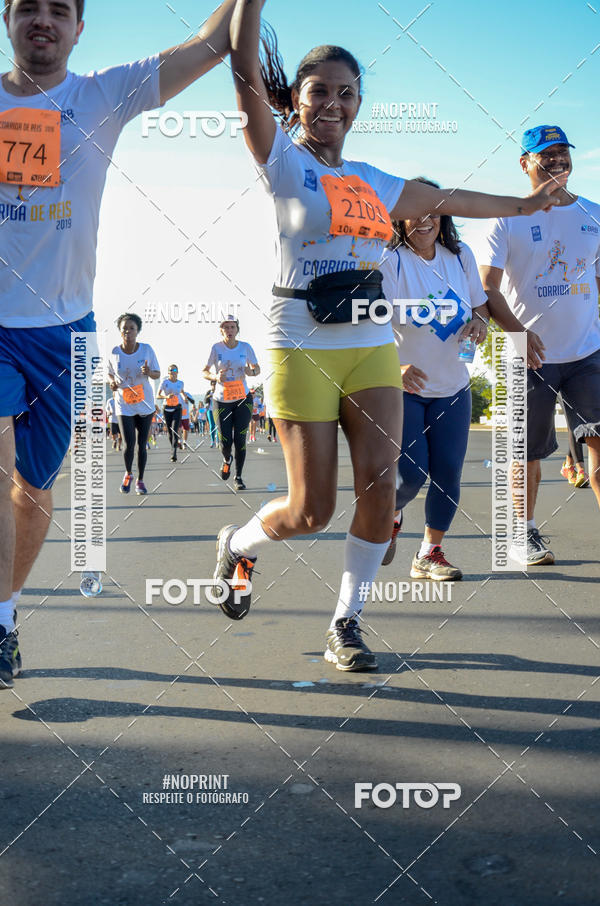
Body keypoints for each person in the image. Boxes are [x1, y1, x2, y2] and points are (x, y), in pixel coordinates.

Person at [211, 0, 565, 673]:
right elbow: (244, 71)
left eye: (347, 93)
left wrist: (525, 205)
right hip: (300, 342)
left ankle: (346, 623)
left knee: (381, 486)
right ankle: (240, 545)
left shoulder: (373, 180)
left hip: (370, 344)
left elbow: (453, 200)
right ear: (297, 100)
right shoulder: (282, 159)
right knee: (311, 510)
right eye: (320, 91)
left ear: (359, 104)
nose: (333, 104)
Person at [0, 0, 239, 689]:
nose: (42, 20)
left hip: (68, 332)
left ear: (79, 28)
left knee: (33, 490)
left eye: (58, 10)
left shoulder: (102, 94)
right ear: (6, 18)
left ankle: (5, 613)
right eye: (27, 7)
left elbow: (211, 43)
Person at [479, 126, 600, 565]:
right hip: (528, 357)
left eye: (563, 152)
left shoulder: (593, 214)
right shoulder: (505, 219)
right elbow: (487, 288)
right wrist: (517, 332)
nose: (557, 160)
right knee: (525, 452)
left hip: (588, 354)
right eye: (546, 154)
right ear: (525, 163)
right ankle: (523, 533)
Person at [380, 178, 489, 578]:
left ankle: (429, 553)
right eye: (414, 213)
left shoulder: (460, 257)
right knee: (412, 474)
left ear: (443, 217)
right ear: (399, 219)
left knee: (447, 474)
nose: (424, 220)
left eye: (432, 212)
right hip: (405, 389)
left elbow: (480, 306)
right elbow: (370, 326)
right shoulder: (390, 262)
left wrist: (479, 323)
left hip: (453, 387)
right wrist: (395, 368)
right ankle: (390, 513)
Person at [203, 315, 259, 490]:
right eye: (226, 327)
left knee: (240, 439)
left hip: (242, 398)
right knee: (225, 441)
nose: (229, 330)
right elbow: (205, 371)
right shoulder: (216, 348)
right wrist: (215, 376)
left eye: (232, 327)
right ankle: (227, 459)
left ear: (237, 330)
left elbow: (257, 368)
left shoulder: (245, 347)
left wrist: (251, 372)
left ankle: (238, 477)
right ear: (221, 330)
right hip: (221, 400)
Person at [108, 313, 160, 494]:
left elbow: (157, 373)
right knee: (128, 444)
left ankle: (140, 480)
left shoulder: (146, 350)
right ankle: (128, 473)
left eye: (132, 328)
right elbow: (109, 373)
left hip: (144, 403)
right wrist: (112, 382)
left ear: (138, 331)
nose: (128, 332)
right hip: (124, 404)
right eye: (124, 329)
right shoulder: (115, 352)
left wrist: (148, 372)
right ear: (120, 331)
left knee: (141, 444)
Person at [157, 365, 187, 462]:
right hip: (167, 408)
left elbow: (182, 392)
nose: (173, 372)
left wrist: (185, 398)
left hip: (177, 408)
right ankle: (173, 446)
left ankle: (174, 452)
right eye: (171, 370)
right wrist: (166, 397)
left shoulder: (180, 383)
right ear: (168, 372)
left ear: (177, 372)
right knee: (170, 432)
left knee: (175, 430)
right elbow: (158, 395)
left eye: (175, 370)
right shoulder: (164, 382)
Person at [559, 397, 589, 488]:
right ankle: (581, 471)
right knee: (574, 420)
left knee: (576, 420)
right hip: (560, 389)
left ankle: (568, 466)